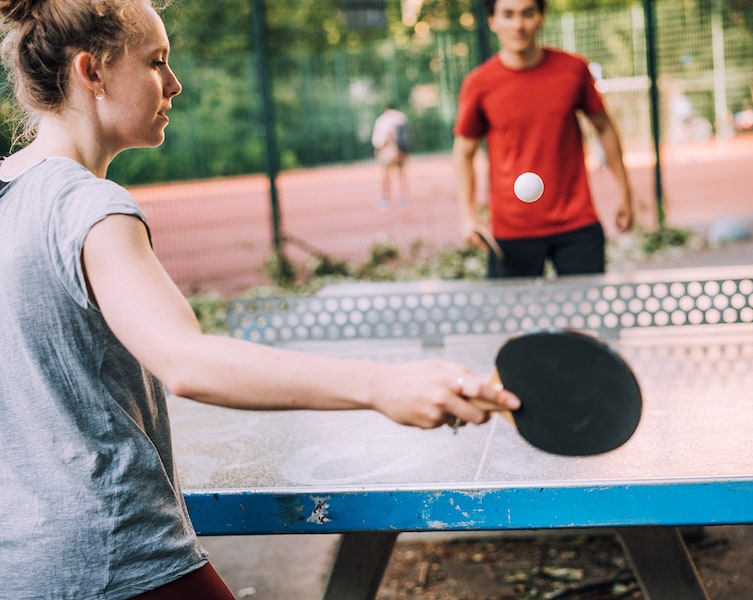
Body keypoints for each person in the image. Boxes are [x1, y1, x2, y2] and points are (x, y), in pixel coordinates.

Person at [0, 1, 520, 598]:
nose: (174, 83)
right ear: (91, 72)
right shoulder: (91, 208)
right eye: (156, 62)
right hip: (115, 560)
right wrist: (383, 386)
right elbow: (188, 363)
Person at [453, 0, 635, 278]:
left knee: (581, 320)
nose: (518, 24)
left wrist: (625, 193)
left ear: (540, 17)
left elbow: (604, 126)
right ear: (493, 21)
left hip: (577, 224)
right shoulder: (479, 83)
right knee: (513, 322)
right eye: (508, 15)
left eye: (527, 13)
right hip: (511, 230)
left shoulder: (573, 69)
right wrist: (468, 215)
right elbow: (464, 152)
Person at [371, 103, 411, 209]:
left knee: (385, 175)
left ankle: (385, 199)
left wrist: (379, 150)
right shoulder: (402, 117)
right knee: (401, 174)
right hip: (402, 152)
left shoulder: (382, 120)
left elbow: (378, 140)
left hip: (387, 151)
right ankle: (403, 198)